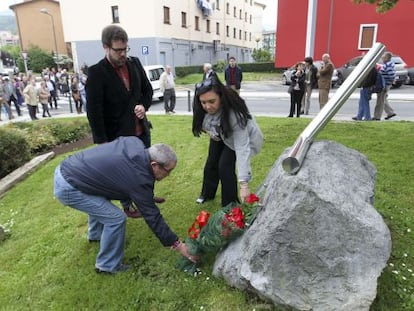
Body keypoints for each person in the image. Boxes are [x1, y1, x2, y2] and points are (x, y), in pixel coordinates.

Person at [53, 137, 197, 274]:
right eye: (168, 171)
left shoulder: (134, 143)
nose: (169, 175)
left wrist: (134, 202)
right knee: (116, 218)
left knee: (100, 199)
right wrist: (178, 245)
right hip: (69, 186)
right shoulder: (139, 178)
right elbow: (152, 216)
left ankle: (96, 235)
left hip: (71, 168)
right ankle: (107, 266)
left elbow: (119, 177)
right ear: (154, 165)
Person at [192, 76, 263, 206]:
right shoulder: (201, 106)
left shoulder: (235, 115)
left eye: (212, 101)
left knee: (224, 166)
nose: (207, 106)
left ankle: (229, 204)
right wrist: (212, 132)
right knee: (211, 163)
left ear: (221, 97)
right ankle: (207, 194)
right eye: (203, 102)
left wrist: (244, 185)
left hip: (234, 137)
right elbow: (203, 123)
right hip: (220, 133)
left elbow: (242, 149)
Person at [86, 24, 153, 148]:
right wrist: (102, 142)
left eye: (125, 49)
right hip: (116, 141)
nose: (123, 54)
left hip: (142, 136)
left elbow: (148, 90)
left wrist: (143, 106)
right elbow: (94, 111)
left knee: (145, 168)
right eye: (118, 50)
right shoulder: (96, 73)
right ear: (105, 47)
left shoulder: (135, 63)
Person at [373, 51, 397, 121]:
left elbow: (391, 75)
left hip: (384, 85)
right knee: (383, 99)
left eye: (383, 57)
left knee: (380, 101)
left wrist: (388, 84)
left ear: (386, 58)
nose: (382, 58)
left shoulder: (388, 65)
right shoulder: (387, 64)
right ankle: (390, 113)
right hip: (385, 84)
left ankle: (377, 117)